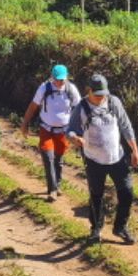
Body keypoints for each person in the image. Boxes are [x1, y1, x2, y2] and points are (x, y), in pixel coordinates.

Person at [67, 73, 138, 244]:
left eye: (103, 94)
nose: (101, 97)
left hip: (118, 158)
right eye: (97, 94)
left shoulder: (114, 102)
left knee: (127, 193)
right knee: (96, 196)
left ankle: (120, 227)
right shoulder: (82, 107)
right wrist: (74, 138)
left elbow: (126, 126)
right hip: (94, 160)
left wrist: (135, 151)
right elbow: (70, 130)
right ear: (89, 91)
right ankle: (96, 228)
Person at [21, 64, 82, 201]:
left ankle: (57, 184)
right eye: (57, 79)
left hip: (64, 131)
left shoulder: (71, 89)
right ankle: (52, 190)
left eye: (62, 80)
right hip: (46, 129)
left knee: (59, 159)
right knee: (48, 158)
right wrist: (25, 123)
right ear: (52, 77)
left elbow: (79, 109)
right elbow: (33, 106)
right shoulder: (44, 88)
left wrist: (80, 131)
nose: (60, 82)